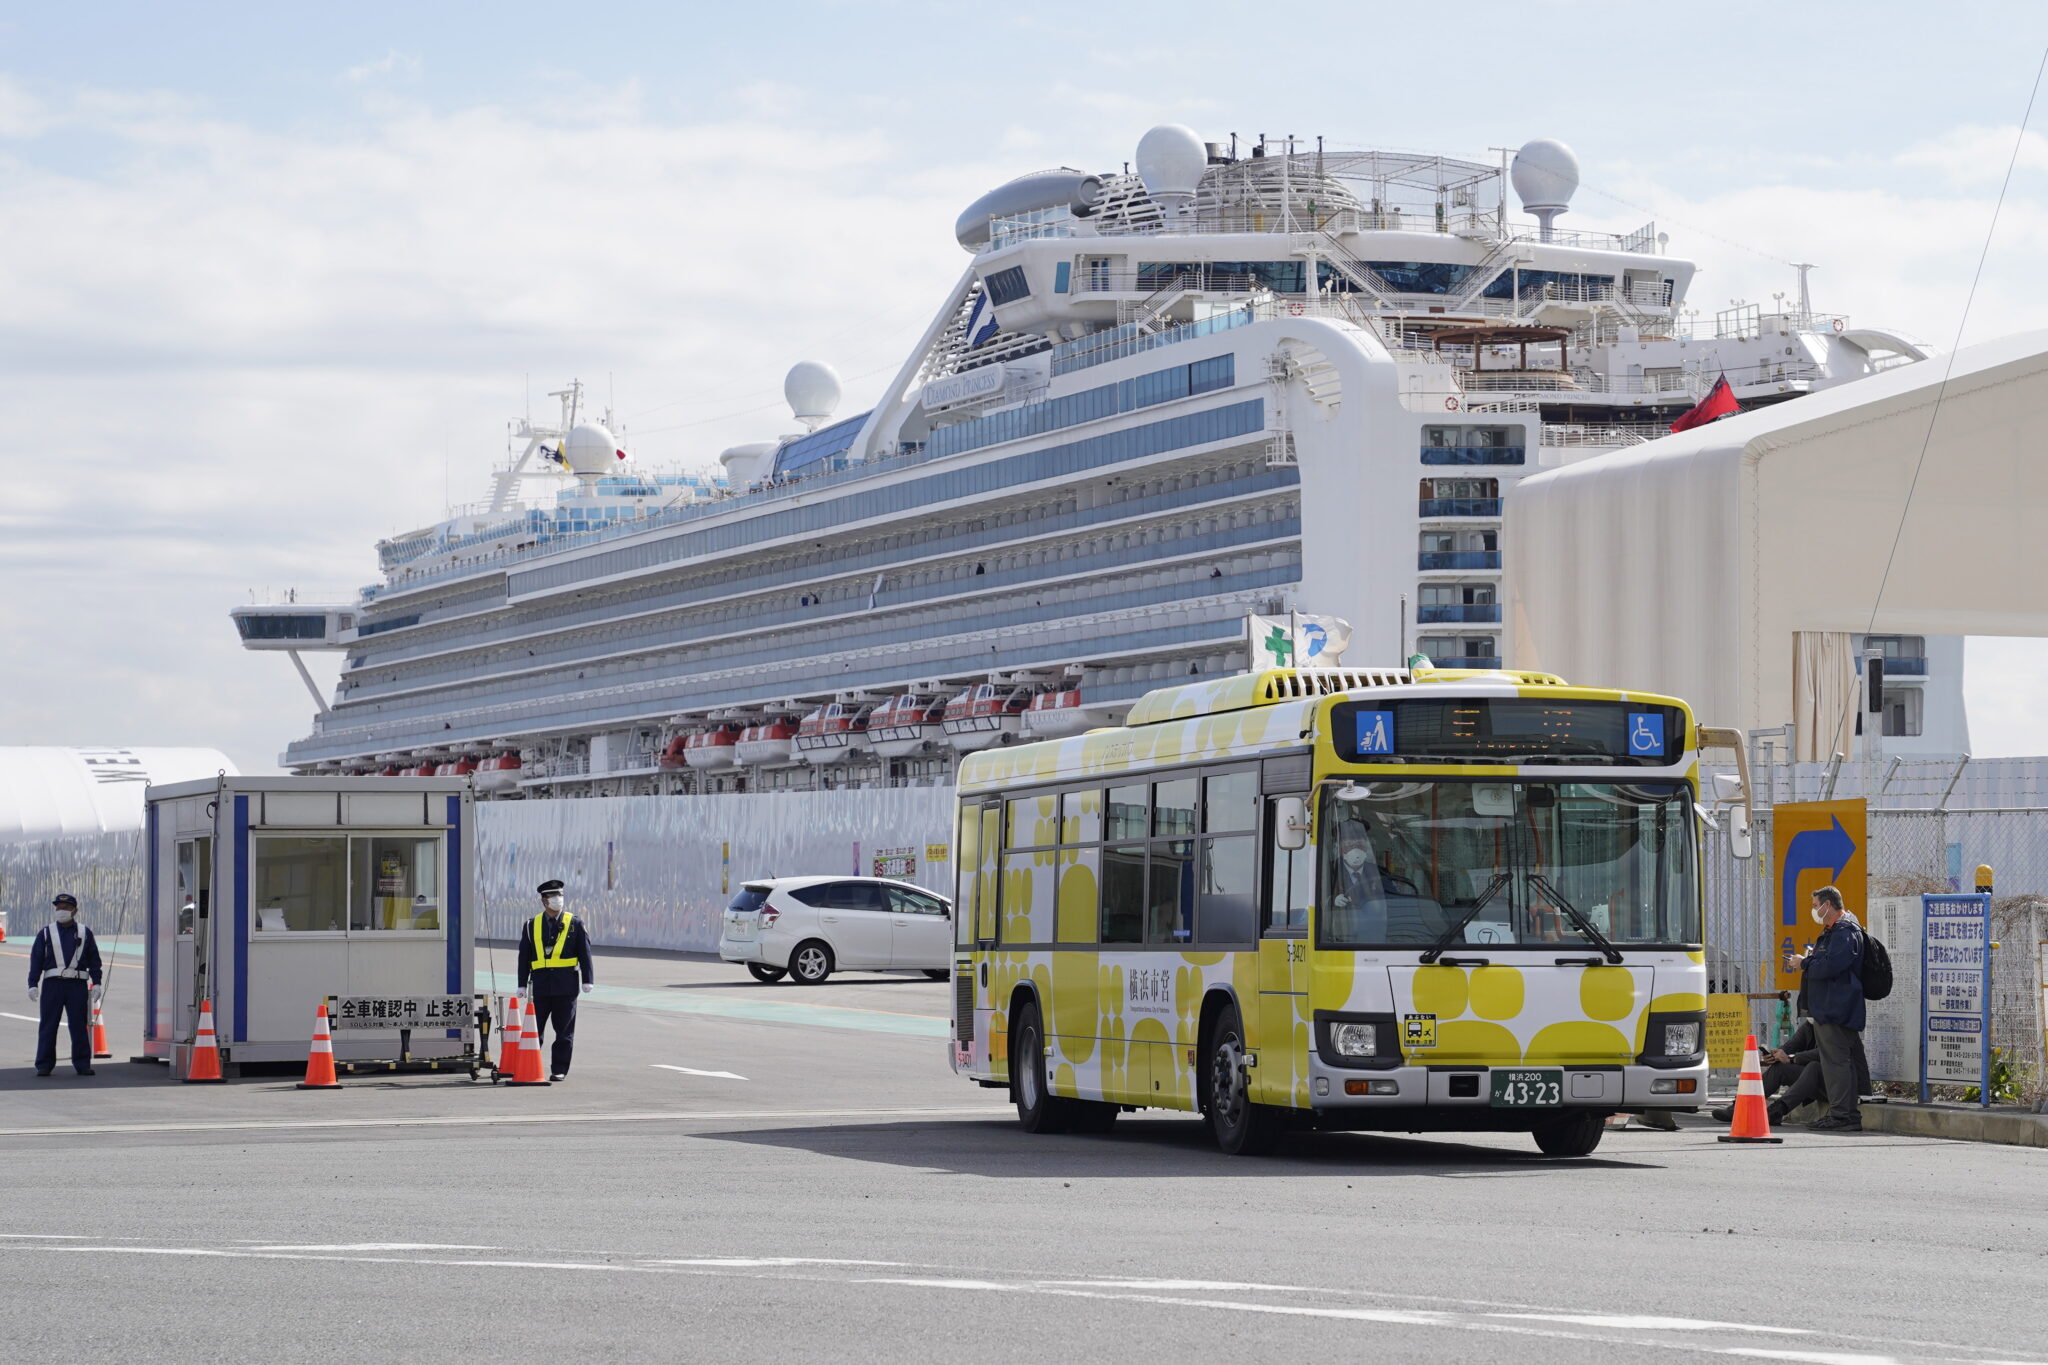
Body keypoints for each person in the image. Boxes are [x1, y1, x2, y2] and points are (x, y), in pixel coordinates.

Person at [1785, 884, 1865, 1132]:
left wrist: (1805, 963)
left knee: (1836, 1063)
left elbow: (1831, 966)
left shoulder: (1844, 932)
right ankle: (1845, 1114)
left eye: (1815, 905)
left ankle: (1842, 1116)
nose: (1814, 910)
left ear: (1828, 905)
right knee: (1838, 1063)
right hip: (1832, 1008)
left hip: (1836, 1010)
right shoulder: (1838, 932)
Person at [517, 879, 594, 1081]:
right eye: (552, 896)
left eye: (560, 895)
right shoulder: (531, 925)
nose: (557, 899)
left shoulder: (575, 924)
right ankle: (529, 1065)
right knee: (534, 1030)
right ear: (544, 900)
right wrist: (521, 984)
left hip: (566, 987)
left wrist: (587, 979)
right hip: (540, 986)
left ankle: (559, 1069)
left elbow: (585, 954)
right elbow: (524, 957)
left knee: (564, 1031)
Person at [28, 893, 103, 1078]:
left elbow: (94, 960)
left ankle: (82, 1064)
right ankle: (44, 1065)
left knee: (78, 1025)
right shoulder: (46, 932)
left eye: (66, 908)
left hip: (77, 985)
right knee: (48, 1025)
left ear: (74, 911)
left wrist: (97, 982)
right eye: (58, 907)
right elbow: (36, 959)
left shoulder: (85, 932)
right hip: (52, 985)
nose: (61, 911)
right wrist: (33, 983)